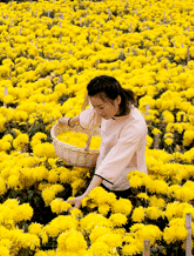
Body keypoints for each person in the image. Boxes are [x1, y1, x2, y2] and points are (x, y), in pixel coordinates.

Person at [59, 75, 147, 209]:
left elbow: (113, 161)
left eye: (100, 107)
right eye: (94, 106)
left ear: (117, 99)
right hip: (100, 176)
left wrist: (85, 195)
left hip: (126, 183)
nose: (98, 112)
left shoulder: (134, 126)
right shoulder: (107, 110)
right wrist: (71, 121)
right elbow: (92, 113)